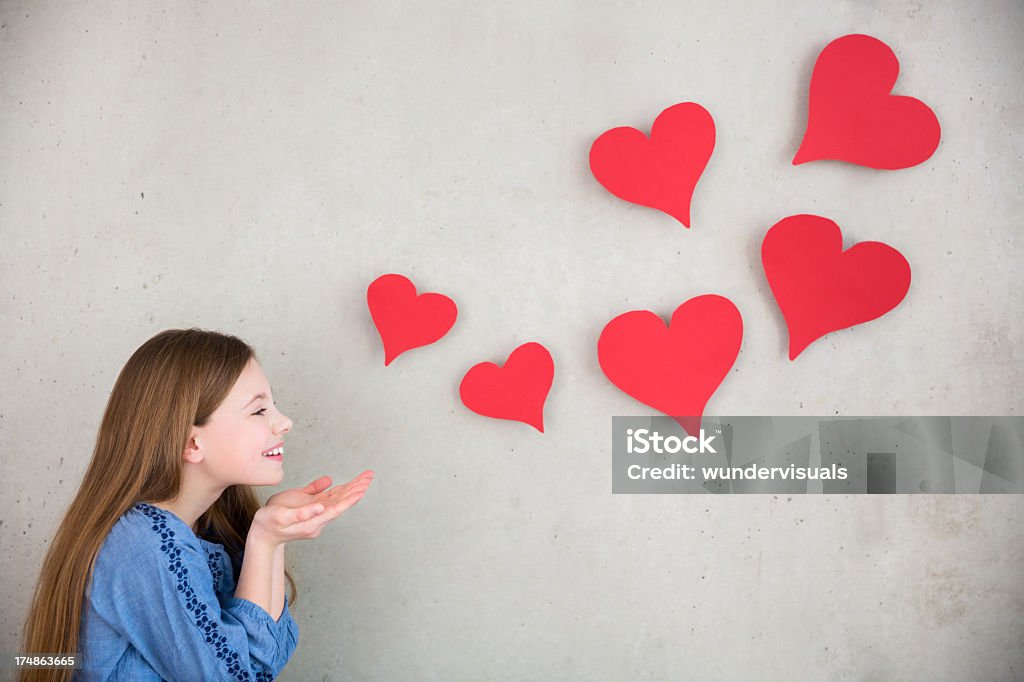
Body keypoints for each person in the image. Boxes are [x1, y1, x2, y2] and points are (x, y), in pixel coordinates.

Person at [19, 328, 375, 681]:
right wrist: (265, 540)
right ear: (191, 443)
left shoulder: (207, 527)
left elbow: (263, 661)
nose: (284, 422)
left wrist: (272, 535)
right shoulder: (144, 545)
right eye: (258, 411)